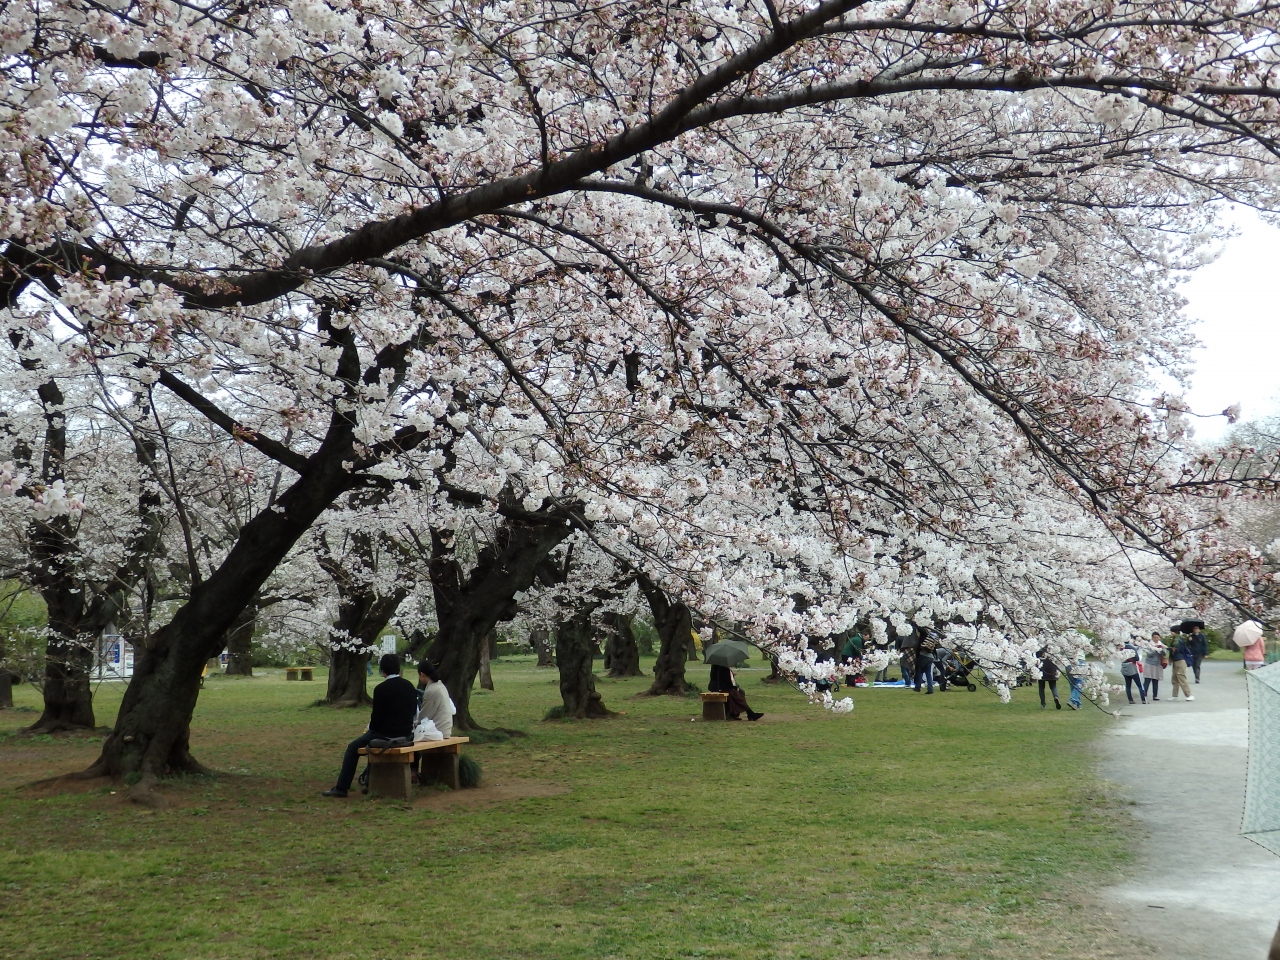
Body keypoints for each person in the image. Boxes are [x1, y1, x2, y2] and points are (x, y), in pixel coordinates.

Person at [322, 653, 418, 798]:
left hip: (384, 734)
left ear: (382, 671)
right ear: (399, 669)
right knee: (368, 743)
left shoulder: (381, 689)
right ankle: (369, 782)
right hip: (405, 734)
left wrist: (370, 729)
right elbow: (412, 712)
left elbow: (376, 719)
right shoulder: (409, 686)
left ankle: (341, 788)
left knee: (352, 748)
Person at [414, 661, 453, 739]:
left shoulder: (432, 691)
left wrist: (413, 724)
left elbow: (424, 716)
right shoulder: (440, 686)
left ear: (422, 674)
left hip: (438, 731)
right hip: (445, 730)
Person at [1169, 632, 1195, 701]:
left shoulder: (1178, 640)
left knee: (1181, 677)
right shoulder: (1175, 639)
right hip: (1175, 660)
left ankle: (1189, 694)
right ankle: (1175, 695)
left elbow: (1177, 650)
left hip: (1180, 660)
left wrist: (1168, 648)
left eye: (1172, 631)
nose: (1171, 633)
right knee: (1174, 678)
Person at [1141, 633, 1166, 701]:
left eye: (1157, 637)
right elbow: (1149, 654)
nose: (1156, 639)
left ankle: (1155, 695)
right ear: (1152, 638)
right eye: (1154, 637)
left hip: (1158, 664)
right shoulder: (1149, 645)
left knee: (1155, 680)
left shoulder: (1161, 644)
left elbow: (1165, 653)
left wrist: (1161, 649)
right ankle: (1144, 695)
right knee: (1147, 680)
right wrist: (1156, 650)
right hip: (1149, 664)